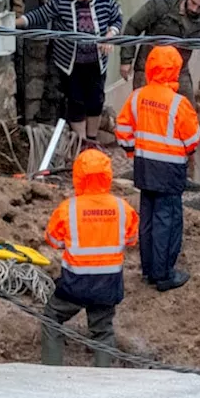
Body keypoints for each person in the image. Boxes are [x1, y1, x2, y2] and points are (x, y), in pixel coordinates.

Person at [41, 149, 139, 368]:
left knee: (51, 318)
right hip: (108, 283)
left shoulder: (69, 208)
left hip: (75, 283)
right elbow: (131, 239)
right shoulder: (122, 208)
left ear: (78, 176)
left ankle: (50, 373)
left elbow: (53, 241)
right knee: (103, 331)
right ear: (107, 175)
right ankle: (103, 379)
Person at [115, 45, 200, 291]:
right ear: (175, 69)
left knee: (148, 218)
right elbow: (193, 139)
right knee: (168, 220)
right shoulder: (178, 103)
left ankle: (149, 270)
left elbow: (122, 130)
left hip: (143, 166)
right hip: (170, 169)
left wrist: (133, 151)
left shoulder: (137, 96)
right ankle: (163, 275)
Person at [16, 0, 121, 146]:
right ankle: (80, 142)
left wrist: (109, 35)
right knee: (76, 101)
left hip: (96, 62)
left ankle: (92, 140)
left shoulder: (105, 0)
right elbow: (42, 14)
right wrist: (17, 22)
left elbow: (117, 20)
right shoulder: (62, 0)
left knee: (95, 100)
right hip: (71, 63)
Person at [118, 0, 200, 101]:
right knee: (146, 108)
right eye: (193, 3)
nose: (194, 9)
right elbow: (133, 27)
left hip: (179, 72)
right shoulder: (160, 7)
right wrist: (126, 60)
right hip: (149, 68)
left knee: (187, 111)